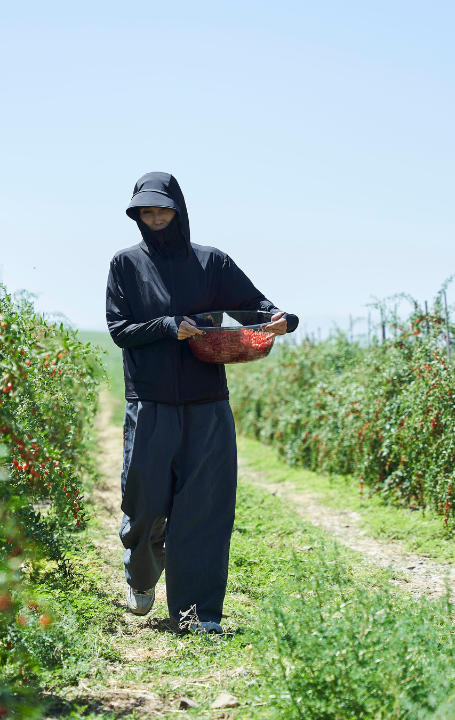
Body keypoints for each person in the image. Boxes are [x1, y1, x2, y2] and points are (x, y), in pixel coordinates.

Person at [105, 172, 298, 633]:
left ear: (179, 210)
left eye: (162, 210)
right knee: (146, 503)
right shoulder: (126, 265)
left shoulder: (211, 262)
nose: (155, 219)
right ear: (136, 215)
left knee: (205, 510)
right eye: (146, 212)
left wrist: (279, 318)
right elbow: (119, 330)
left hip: (207, 403)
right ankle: (142, 575)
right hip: (149, 402)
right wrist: (168, 326)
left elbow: (253, 304)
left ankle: (197, 614)